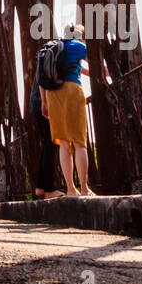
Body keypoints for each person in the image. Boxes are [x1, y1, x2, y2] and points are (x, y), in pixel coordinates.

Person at [41, 22, 94, 197]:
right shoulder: (78, 45)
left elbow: (41, 78)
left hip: (52, 94)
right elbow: (93, 62)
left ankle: (71, 189)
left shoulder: (50, 47)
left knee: (63, 143)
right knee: (79, 142)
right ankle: (85, 188)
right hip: (72, 89)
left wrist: (44, 102)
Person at [30, 70, 61, 199]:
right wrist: (45, 102)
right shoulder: (55, 50)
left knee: (48, 144)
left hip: (38, 102)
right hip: (46, 102)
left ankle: (41, 186)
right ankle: (49, 189)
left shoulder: (48, 51)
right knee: (52, 143)